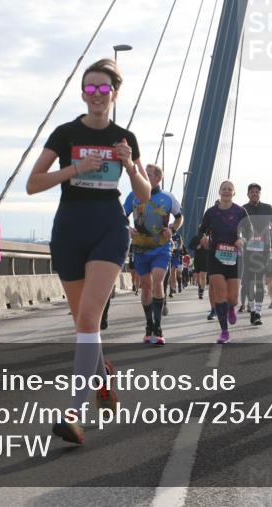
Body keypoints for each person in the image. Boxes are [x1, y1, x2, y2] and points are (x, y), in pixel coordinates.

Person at [27, 58, 151, 445]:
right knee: (84, 324)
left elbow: (145, 195)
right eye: (90, 89)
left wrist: (130, 165)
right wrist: (76, 169)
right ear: (83, 93)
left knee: (88, 317)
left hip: (109, 228)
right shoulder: (64, 134)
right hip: (69, 228)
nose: (97, 95)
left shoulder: (124, 137)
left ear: (114, 94)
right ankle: (103, 377)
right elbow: (33, 183)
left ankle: (74, 413)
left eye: (104, 89)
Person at [123, 164, 182, 346]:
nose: (143, 176)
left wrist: (172, 228)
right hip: (140, 247)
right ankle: (149, 325)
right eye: (143, 173)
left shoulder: (168, 197)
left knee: (157, 281)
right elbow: (121, 215)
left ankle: (158, 326)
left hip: (161, 247)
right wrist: (127, 228)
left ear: (158, 178)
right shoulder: (133, 195)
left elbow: (180, 216)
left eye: (147, 174)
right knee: (146, 286)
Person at [198, 181, 252, 343]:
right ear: (219, 192)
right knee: (220, 292)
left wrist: (242, 239)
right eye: (224, 189)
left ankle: (231, 308)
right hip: (215, 255)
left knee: (233, 298)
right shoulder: (211, 212)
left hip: (235, 257)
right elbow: (202, 230)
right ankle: (224, 332)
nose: (226, 191)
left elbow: (249, 231)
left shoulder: (240, 211)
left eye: (230, 189)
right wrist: (204, 237)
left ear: (234, 193)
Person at [241, 183, 272, 325]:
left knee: (259, 282)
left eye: (257, 191)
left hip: (264, 249)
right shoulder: (243, 209)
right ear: (248, 194)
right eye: (252, 192)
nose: (254, 193)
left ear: (260, 194)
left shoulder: (267, 208)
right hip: (249, 250)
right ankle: (251, 307)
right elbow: (238, 226)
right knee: (250, 281)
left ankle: (258, 313)